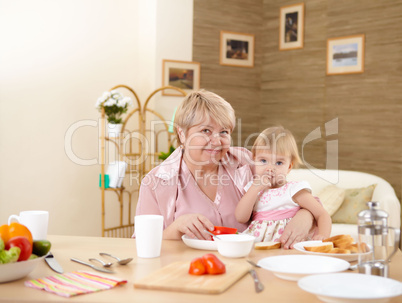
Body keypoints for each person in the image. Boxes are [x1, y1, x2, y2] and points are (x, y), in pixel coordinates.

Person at [135, 90, 316, 248]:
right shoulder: (157, 181)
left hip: (247, 266)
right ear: (182, 133)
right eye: (205, 130)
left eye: (224, 132)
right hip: (187, 271)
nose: (216, 141)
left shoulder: (247, 162)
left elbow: (293, 194)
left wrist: (305, 216)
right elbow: (140, 243)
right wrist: (176, 228)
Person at [235, 126, 331, 242]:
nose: (270, 168)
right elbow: (241, 217)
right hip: (258, 246)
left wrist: (323, 236)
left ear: (289, 166)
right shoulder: (253, 189)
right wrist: (254, 189)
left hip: (288, 245)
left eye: (279, 163)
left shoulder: (294, 190)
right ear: (254, 160)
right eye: (263, 161)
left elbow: (322, 214)